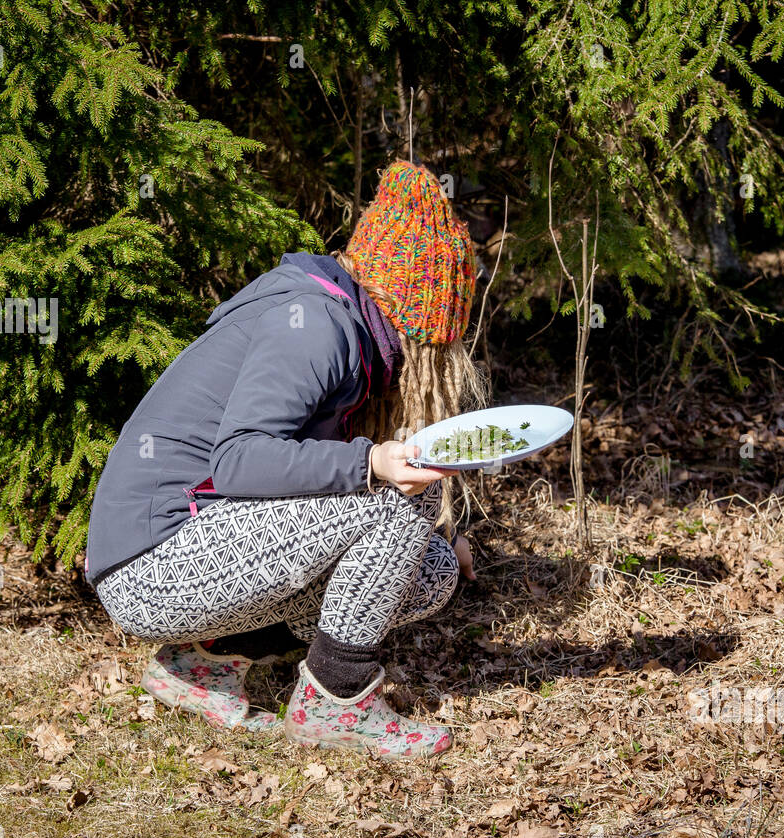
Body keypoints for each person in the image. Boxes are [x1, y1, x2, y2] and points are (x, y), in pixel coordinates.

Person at [84, 160, 486, 757]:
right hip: (153, 567)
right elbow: (241, 460)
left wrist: (430, 526)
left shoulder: (338, 319)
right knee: (393, 507)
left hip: (200, 544)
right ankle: (336, 699)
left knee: (430, 569)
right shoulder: (315, 326)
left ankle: (204, 660)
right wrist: (372, 462)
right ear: (411, 306)